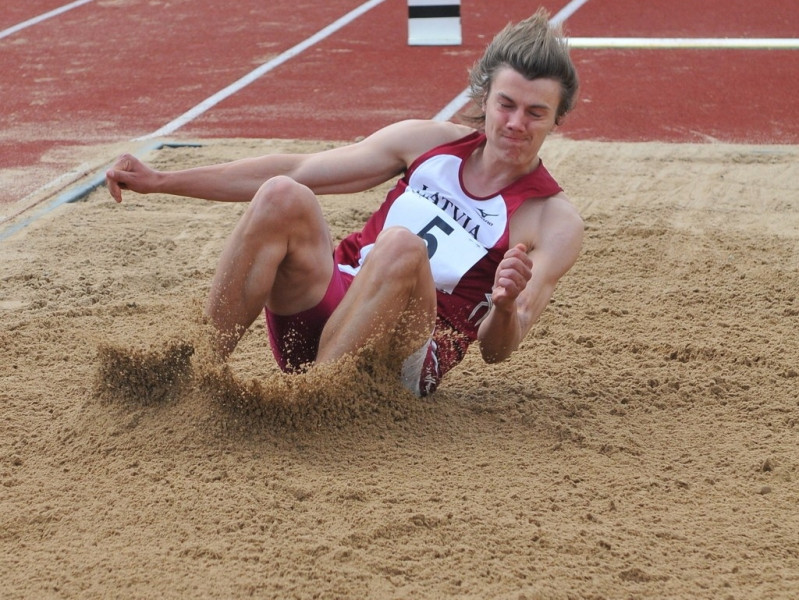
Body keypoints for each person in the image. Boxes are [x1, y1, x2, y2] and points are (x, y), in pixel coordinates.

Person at [105, 8, 584, 397]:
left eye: (535, 112)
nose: (517, 122)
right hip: (330, 309)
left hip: (403, 360)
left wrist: (501, 306)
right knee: (281, 195)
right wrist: (162, 180)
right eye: (507, 104)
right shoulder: (427, 143)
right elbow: (298, 169)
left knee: (400, 246)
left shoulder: (552, 220)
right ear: (485, 97)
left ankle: (312, 407)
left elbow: (500, 349)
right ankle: (193, 376)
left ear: (556, 119)